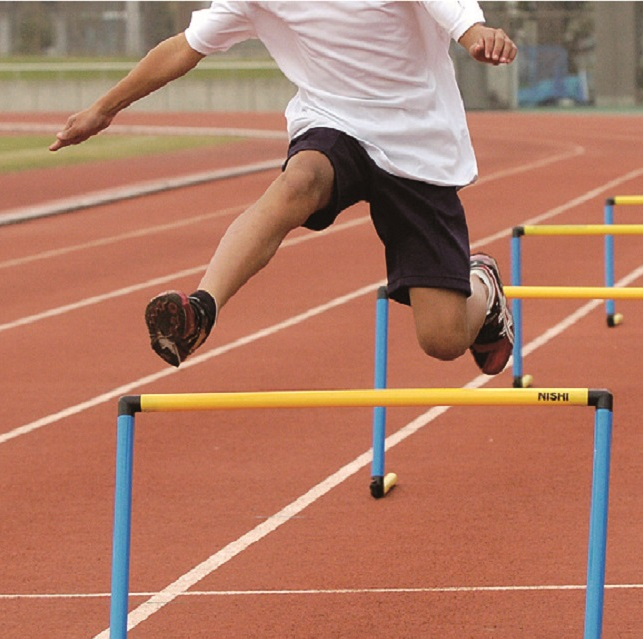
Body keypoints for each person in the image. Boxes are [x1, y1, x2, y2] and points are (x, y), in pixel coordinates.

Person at [50, 1, 516, 375]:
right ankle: (201, 309)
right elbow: (183, 48)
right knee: (300, 180)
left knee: (443, 341)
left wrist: (476, 35)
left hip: (417, 142)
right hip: (335, 122)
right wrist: (103, 109)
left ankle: (483, 286)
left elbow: (454, 11)